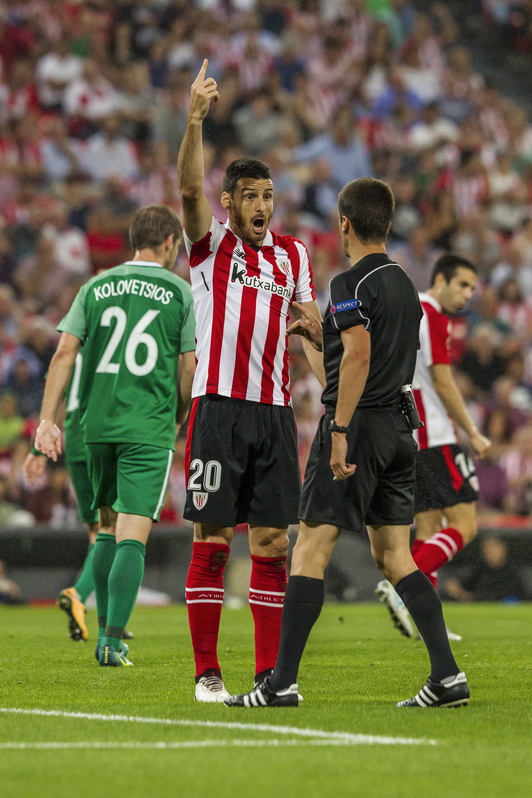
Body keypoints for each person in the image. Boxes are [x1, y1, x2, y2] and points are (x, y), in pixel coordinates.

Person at [225, 177, 470, 709]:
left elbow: (358, 358)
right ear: (388, 223)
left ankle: (281, 683)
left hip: (358, 428)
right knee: (395, 557)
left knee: (310, 548)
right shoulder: (405, 284)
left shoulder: (349, 282)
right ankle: (448, 676)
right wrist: (321, 339)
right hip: (400, 430)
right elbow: (364, 358)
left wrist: (337, 430)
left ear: (344, 223)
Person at [177, 60, 325, 702]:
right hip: (217, 407)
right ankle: (207, 672)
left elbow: (309, 330)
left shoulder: (294, 256)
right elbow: (188, 191)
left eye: (268, 196)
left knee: (271, 542)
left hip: (273, 413)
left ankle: (269, 675)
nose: (262, 205)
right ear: (230, 202)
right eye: (250, 196)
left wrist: (336, 398)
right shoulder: (210, 247)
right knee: (211, 538)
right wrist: (195, 120)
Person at [35, 204, 196, 666]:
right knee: (132, 534)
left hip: (96, 427)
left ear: (133, 240)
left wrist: (46, 420)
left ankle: (105, 625)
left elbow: (64, 351)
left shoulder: (95, 285)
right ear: (170, 242)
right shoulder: (180, 291)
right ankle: (110, 641)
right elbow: (189, 366)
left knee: (105, 527)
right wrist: (179, 415)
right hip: (147, 425)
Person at [376, 255, 492, 640]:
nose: (468, 295)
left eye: (472, 288)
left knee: (429, 529)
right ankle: (402, 584)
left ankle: (431, 623)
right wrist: (472, 431)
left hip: (409, 436)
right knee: (465, 525)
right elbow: (442, 381)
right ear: (440, 279)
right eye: (462, 285)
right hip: (436, 435)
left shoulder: (408, 312)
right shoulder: (435, 317)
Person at [23, 353, 132, 643]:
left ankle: (104, 616)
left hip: (73, 441)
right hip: (99, 435)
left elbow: (55, 397)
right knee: (112, 529)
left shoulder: (69, 352)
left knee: (97, 531)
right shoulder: (105, 345)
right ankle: (82, 597)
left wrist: (37, 449)